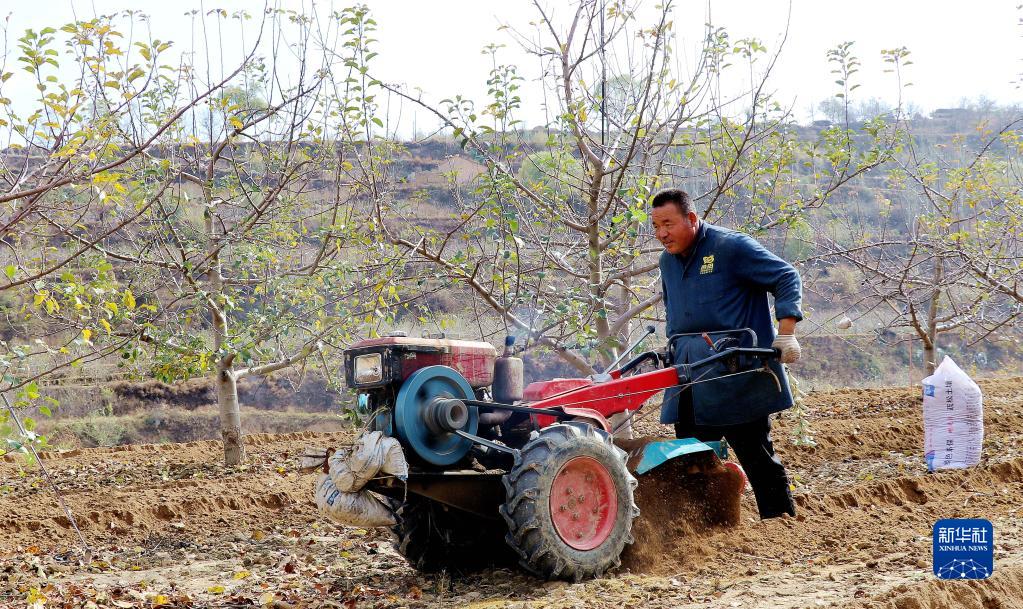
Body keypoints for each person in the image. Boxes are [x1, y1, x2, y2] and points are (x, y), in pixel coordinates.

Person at [650, 188, 802, 519]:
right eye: (656, 226)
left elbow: (786, 276)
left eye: (668, 224)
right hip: (688, 376)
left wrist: (786, 332)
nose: (662, 233)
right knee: (692, 461)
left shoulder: (731, 247)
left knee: (756, 456)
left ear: (691, 218)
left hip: (735, 372)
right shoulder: (667, 262)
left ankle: (781, 526)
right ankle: (712, 533)